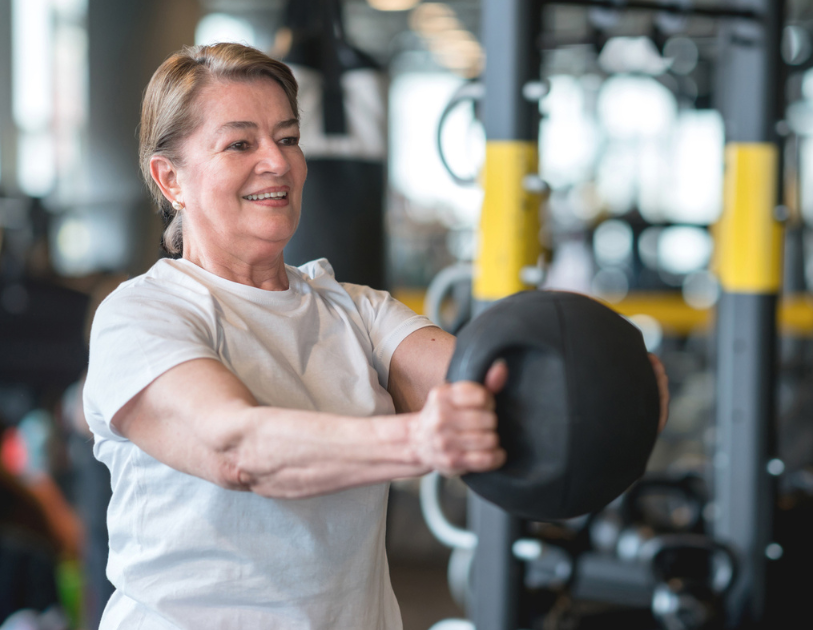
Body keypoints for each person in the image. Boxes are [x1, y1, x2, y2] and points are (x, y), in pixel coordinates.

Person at [83, 42, 668, 629]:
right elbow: (236, 448)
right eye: (240, 143)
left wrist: (614, 392)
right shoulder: (142, 315)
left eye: (287, 138)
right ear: (170, 179)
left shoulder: (354, 311)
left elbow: (502, 395)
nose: (278, 162)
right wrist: (419, 443)